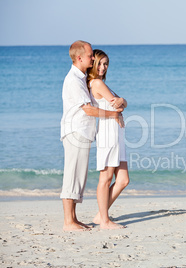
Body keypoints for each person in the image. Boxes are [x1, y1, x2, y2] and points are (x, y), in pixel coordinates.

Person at [60, 41, 124, 231]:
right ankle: (68, 222)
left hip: (83, 132)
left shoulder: (80, 79)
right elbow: (88, 110)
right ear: (79, 58)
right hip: (75, 131)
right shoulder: (73, 80)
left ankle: (73, 219)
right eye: (90, 55)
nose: (93, 58)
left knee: (78, 177)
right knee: (72, 176)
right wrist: (114, 114)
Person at [87, 49, 130, 230]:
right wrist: (120, 104)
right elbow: (118, 104)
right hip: (108, 133)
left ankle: (100, 214)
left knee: (123, 180)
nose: (103, 67)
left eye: (106, 64)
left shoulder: (103, 84)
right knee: (105, 178)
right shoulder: (96, 83)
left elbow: (123, 102)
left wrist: (122, 102)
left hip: (116, 133)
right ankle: (104, 220)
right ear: (93, 64)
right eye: (100, 63)